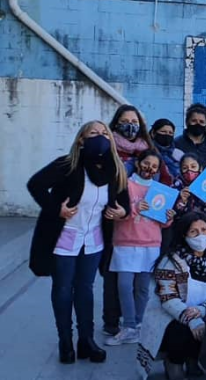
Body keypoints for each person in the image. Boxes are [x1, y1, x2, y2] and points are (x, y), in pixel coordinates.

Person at [27, 120, 130, 364]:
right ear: (81, 139)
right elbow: (36, 184)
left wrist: (121, 213)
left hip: (93, 239)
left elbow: (124, 200)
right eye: (93, 133)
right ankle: (65, 341)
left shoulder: (114, 168)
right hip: (65, 236)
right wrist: (56, 208)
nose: (100, 137)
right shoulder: (68, 164)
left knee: (85, 288)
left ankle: (86, 340)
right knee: (63, 288)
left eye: (105, 133)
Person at [137, 212, 206, 380]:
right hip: (171, 313)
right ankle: (174, 361)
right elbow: (168, 298)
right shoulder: (170, 261)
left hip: (204, 309)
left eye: (204, 230)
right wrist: (192, 318)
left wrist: (202, 310)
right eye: (194, 232)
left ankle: (193, 359)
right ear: (184, 235)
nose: (201, 236)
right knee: (180, 329)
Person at [106, 150, 174, 347]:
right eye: (146, 163)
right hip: (126, 242)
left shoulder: (161, 189)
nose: (149, 169)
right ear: (138, 163)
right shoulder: (125, 185)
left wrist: (168, 217)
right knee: (124, 286)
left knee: (143, 287)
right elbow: (118, 212)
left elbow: (162, 223)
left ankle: (138, 324)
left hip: (150, 243)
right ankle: (128, 325)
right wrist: (136, 208)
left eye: (154, 166)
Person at [171, 154, 206, 222]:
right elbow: (171, 215)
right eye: (185, 168)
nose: (189, 171)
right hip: (183, 228)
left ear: (200, 168)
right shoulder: (177, 185)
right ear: (180, 170)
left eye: (193, 167)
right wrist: (181, 201)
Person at [173, 103, 206, 171]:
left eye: (201, 122)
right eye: (194, 121)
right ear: (187, 122)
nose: (198, 124)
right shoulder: (175, 143)